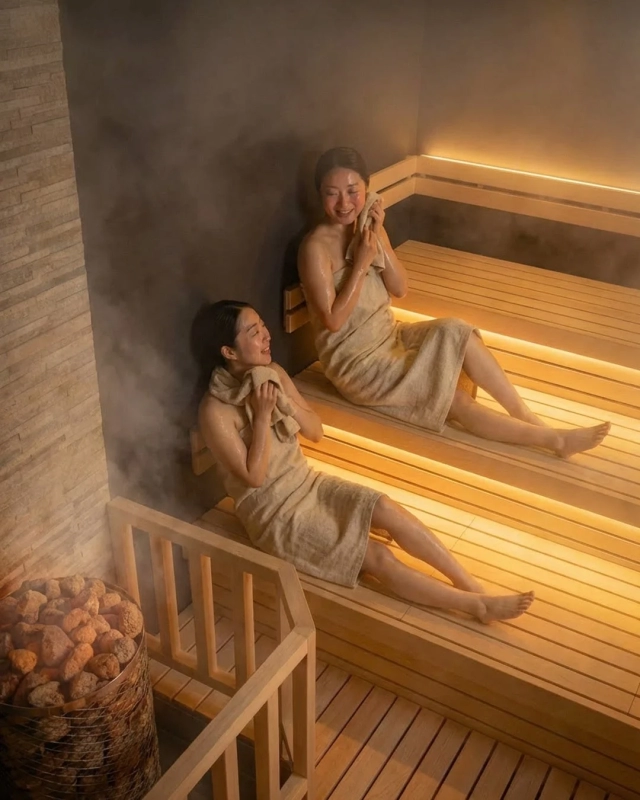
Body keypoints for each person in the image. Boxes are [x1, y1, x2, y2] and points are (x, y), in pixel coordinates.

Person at [190, 300, 534, 623]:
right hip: (276, 515)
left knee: (383, 506)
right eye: (254, 332)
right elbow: (254, 477)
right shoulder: (214, 412)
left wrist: (285, 403)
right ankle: (476, 605)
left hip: (307, 483)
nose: (266, 335)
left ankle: (470, 584)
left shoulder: (272, 374)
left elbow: (316, 431)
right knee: (376, 557)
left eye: (263, 325)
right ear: (229, 351)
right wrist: (262, 418)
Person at [297, 146, 610, 457]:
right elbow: (333, 322)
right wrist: (362, 264)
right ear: (319, 195)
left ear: (368, 189)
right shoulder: (315, 248)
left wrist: (377, 237)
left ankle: (527, 418)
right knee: (454, 400)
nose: (344, 203)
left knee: (458, 331)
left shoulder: (367, 231)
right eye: (332, 193)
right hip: (359, 364)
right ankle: (554, 442)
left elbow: (400, 288)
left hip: (389, 336)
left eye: (353, 191)